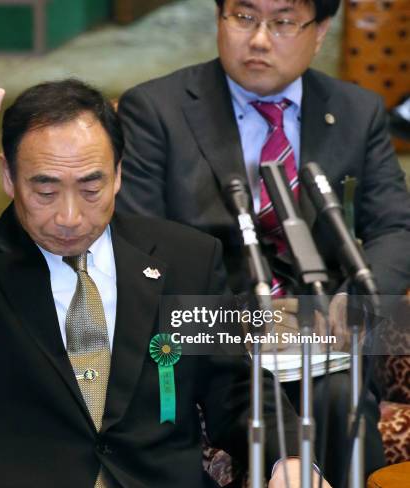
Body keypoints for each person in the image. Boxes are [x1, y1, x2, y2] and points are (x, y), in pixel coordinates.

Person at [0, 34, 331, 487]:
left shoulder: (185, 258)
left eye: (91, 188)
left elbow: (237, 389)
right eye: (45, 189)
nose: (69, 216)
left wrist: (288, 458)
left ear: (119, 174)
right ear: (8, 176)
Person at [116, 0, 410, 485]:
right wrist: (239, 321)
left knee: (341, 395)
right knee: (257, 402)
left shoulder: (358, 112)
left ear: (320, 31)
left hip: (323, 335)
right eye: (244, 17)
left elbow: (395, 227)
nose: (258, 39)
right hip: (210, 335)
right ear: (218, 18)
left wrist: (357, 300)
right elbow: (139, 249)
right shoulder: (155, 111)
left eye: (284, 22)